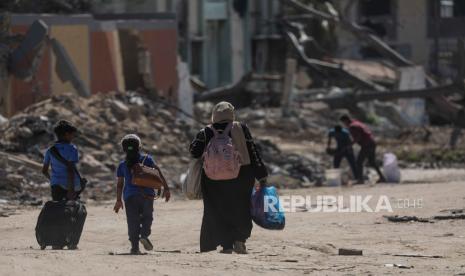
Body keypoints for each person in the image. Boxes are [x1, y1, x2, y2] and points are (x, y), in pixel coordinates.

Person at [190, 102, 268, 254]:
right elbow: (253, 152)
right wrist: (262, 175)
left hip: (213, 180)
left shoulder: (206, 131)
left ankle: (226, 245)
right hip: (242, 176)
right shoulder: (241, 128)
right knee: (241, 208)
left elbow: (194, 152)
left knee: (217, 210)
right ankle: (239, 240)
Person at [113, 134, 171, 255]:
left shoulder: (122, 165)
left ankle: (134, 247)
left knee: (132, 221)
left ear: (124, 149)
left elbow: (119, 184)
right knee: (147, 217)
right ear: (139, 147)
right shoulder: (147, 159)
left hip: (129, 197)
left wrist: (118, 200)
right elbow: (158, 173)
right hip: (147, 196)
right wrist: (165, 188)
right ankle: (144, 235)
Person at [42, 120, 82, 201]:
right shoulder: (72, 149)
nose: (73, 137)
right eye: (72, 135)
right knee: (70, 209)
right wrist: (71, 190)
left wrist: (53, 180)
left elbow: (44, 171)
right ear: (67, 134)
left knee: (57, 208)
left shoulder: (50, 150)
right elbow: (70, 170)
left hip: (56, 185)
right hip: (73, 185)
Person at [340, 115, 386, 184]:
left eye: (343, 123)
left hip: (367, 145)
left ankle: (360, 180)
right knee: (372, 162)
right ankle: (382, 178)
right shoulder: (357, 122)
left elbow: (358, 137)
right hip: (372, 143)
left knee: (359, 162)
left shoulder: (352, 126)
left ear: (345, 121)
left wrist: (350, 145)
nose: (344, 125)